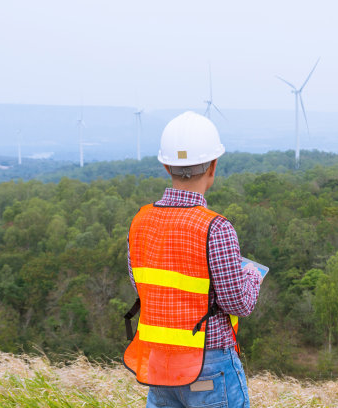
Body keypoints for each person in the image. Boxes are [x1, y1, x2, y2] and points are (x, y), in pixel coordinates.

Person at [123, 111, 262, 408]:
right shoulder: (216, 228)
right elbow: (239, 303)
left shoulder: (140, 222)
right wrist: (250, 275)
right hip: (208, 363)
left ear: (165, 165)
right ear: (213, 166)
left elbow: (148, 290)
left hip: (160, 362)